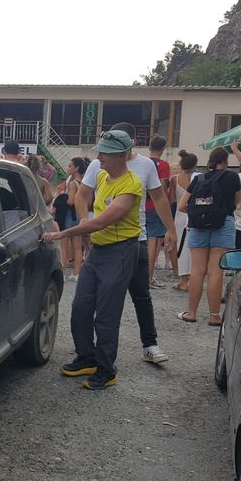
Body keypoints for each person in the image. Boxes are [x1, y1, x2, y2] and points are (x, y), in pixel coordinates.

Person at [41, 130, 142, 390]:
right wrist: (83, 215)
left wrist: (63, 233)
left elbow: (103, 220)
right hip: (98, 251)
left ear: (121, 155)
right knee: (81, 307)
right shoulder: (101, 175)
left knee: (106, 315)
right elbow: (83, 196)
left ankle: (106, 370)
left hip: (120, 252)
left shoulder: (131, 185)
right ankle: (87, 357)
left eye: (105, 153)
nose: (99, 157)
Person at [76, 122, 176, 365]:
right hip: (104, 242)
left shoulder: (145, 165)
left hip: (137, 240)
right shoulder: (98, 165)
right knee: (94, 301)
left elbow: (159, 196)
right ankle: (90, 356)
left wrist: (170, 230)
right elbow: (82, 195)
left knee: (141, 295)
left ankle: (150, 344)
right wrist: (84, 224)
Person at [176, 146, 241, 326]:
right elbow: (237, 202)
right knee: (215, 272)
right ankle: (214, 316)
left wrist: (199, 212)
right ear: (226, 161)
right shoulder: (232, 177)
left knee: (197, 271)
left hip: (198, 226)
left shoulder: (199, 179)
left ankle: (191, 313)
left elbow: (181, 206)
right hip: (223, 224)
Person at [171, 151, 199, 292]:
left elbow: (172, 199)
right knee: (193, 248)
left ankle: (183, 281)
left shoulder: (175, 179)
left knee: (181, 248)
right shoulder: (199, 178)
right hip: (194, 214)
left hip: (180, 215)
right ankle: (194, 279)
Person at [145, 136, 171, 289]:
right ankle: (148, 278)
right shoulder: (163, 165)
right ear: (163, 150)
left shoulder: (143, 163)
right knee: (153, 242)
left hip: (141, 205)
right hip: (155, 206)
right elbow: (162, 189)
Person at [61, 157, 89, 281]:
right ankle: (77, 273)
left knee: (64, 245)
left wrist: (62, 197)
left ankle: (62, 272)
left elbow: (71, 201)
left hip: (69, 215)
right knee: (77, 246)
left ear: (76, 168)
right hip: (79, 215)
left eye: (70, 166)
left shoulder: (72, 183)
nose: (68, 168)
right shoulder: (82, 182)